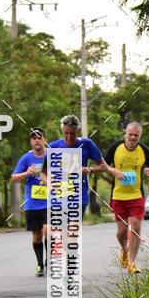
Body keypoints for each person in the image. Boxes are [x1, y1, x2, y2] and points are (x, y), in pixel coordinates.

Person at [104, 121, 149, 273]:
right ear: (125, 133)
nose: (132, 138)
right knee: (121, 231)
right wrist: (114, 171)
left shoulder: (144, 150)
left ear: (140, 135)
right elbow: (104, 165)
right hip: (118, 195)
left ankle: (132, 262)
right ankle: (124, 249)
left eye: (136, 135)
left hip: (136, 195)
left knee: (135, 227)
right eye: (130, 134)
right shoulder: (115, 147)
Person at [42, 115, 108, 218]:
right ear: (62, 130)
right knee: (59, 232)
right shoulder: (54, 146)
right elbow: (43, 172)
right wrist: (49, 183)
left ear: (78, 131)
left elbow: (104, 167)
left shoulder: (87, 144)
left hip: (79, 196)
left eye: (72, 134)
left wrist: (90, 169)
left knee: (72, 231)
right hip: (59, 196)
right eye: (66, 133)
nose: (68, 137)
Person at [11, 128, 49, 276]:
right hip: (32, 203)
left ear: (44, 139)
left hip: (50, 202)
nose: (37, 140)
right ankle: (40, 264)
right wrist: (27, 173)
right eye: (34, 138)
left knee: (48, 231)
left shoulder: (52, 156)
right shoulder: (26, 158)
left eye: (39, 137)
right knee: (37, 235)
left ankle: (49, 261)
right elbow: (14, 178)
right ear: (30, 142)